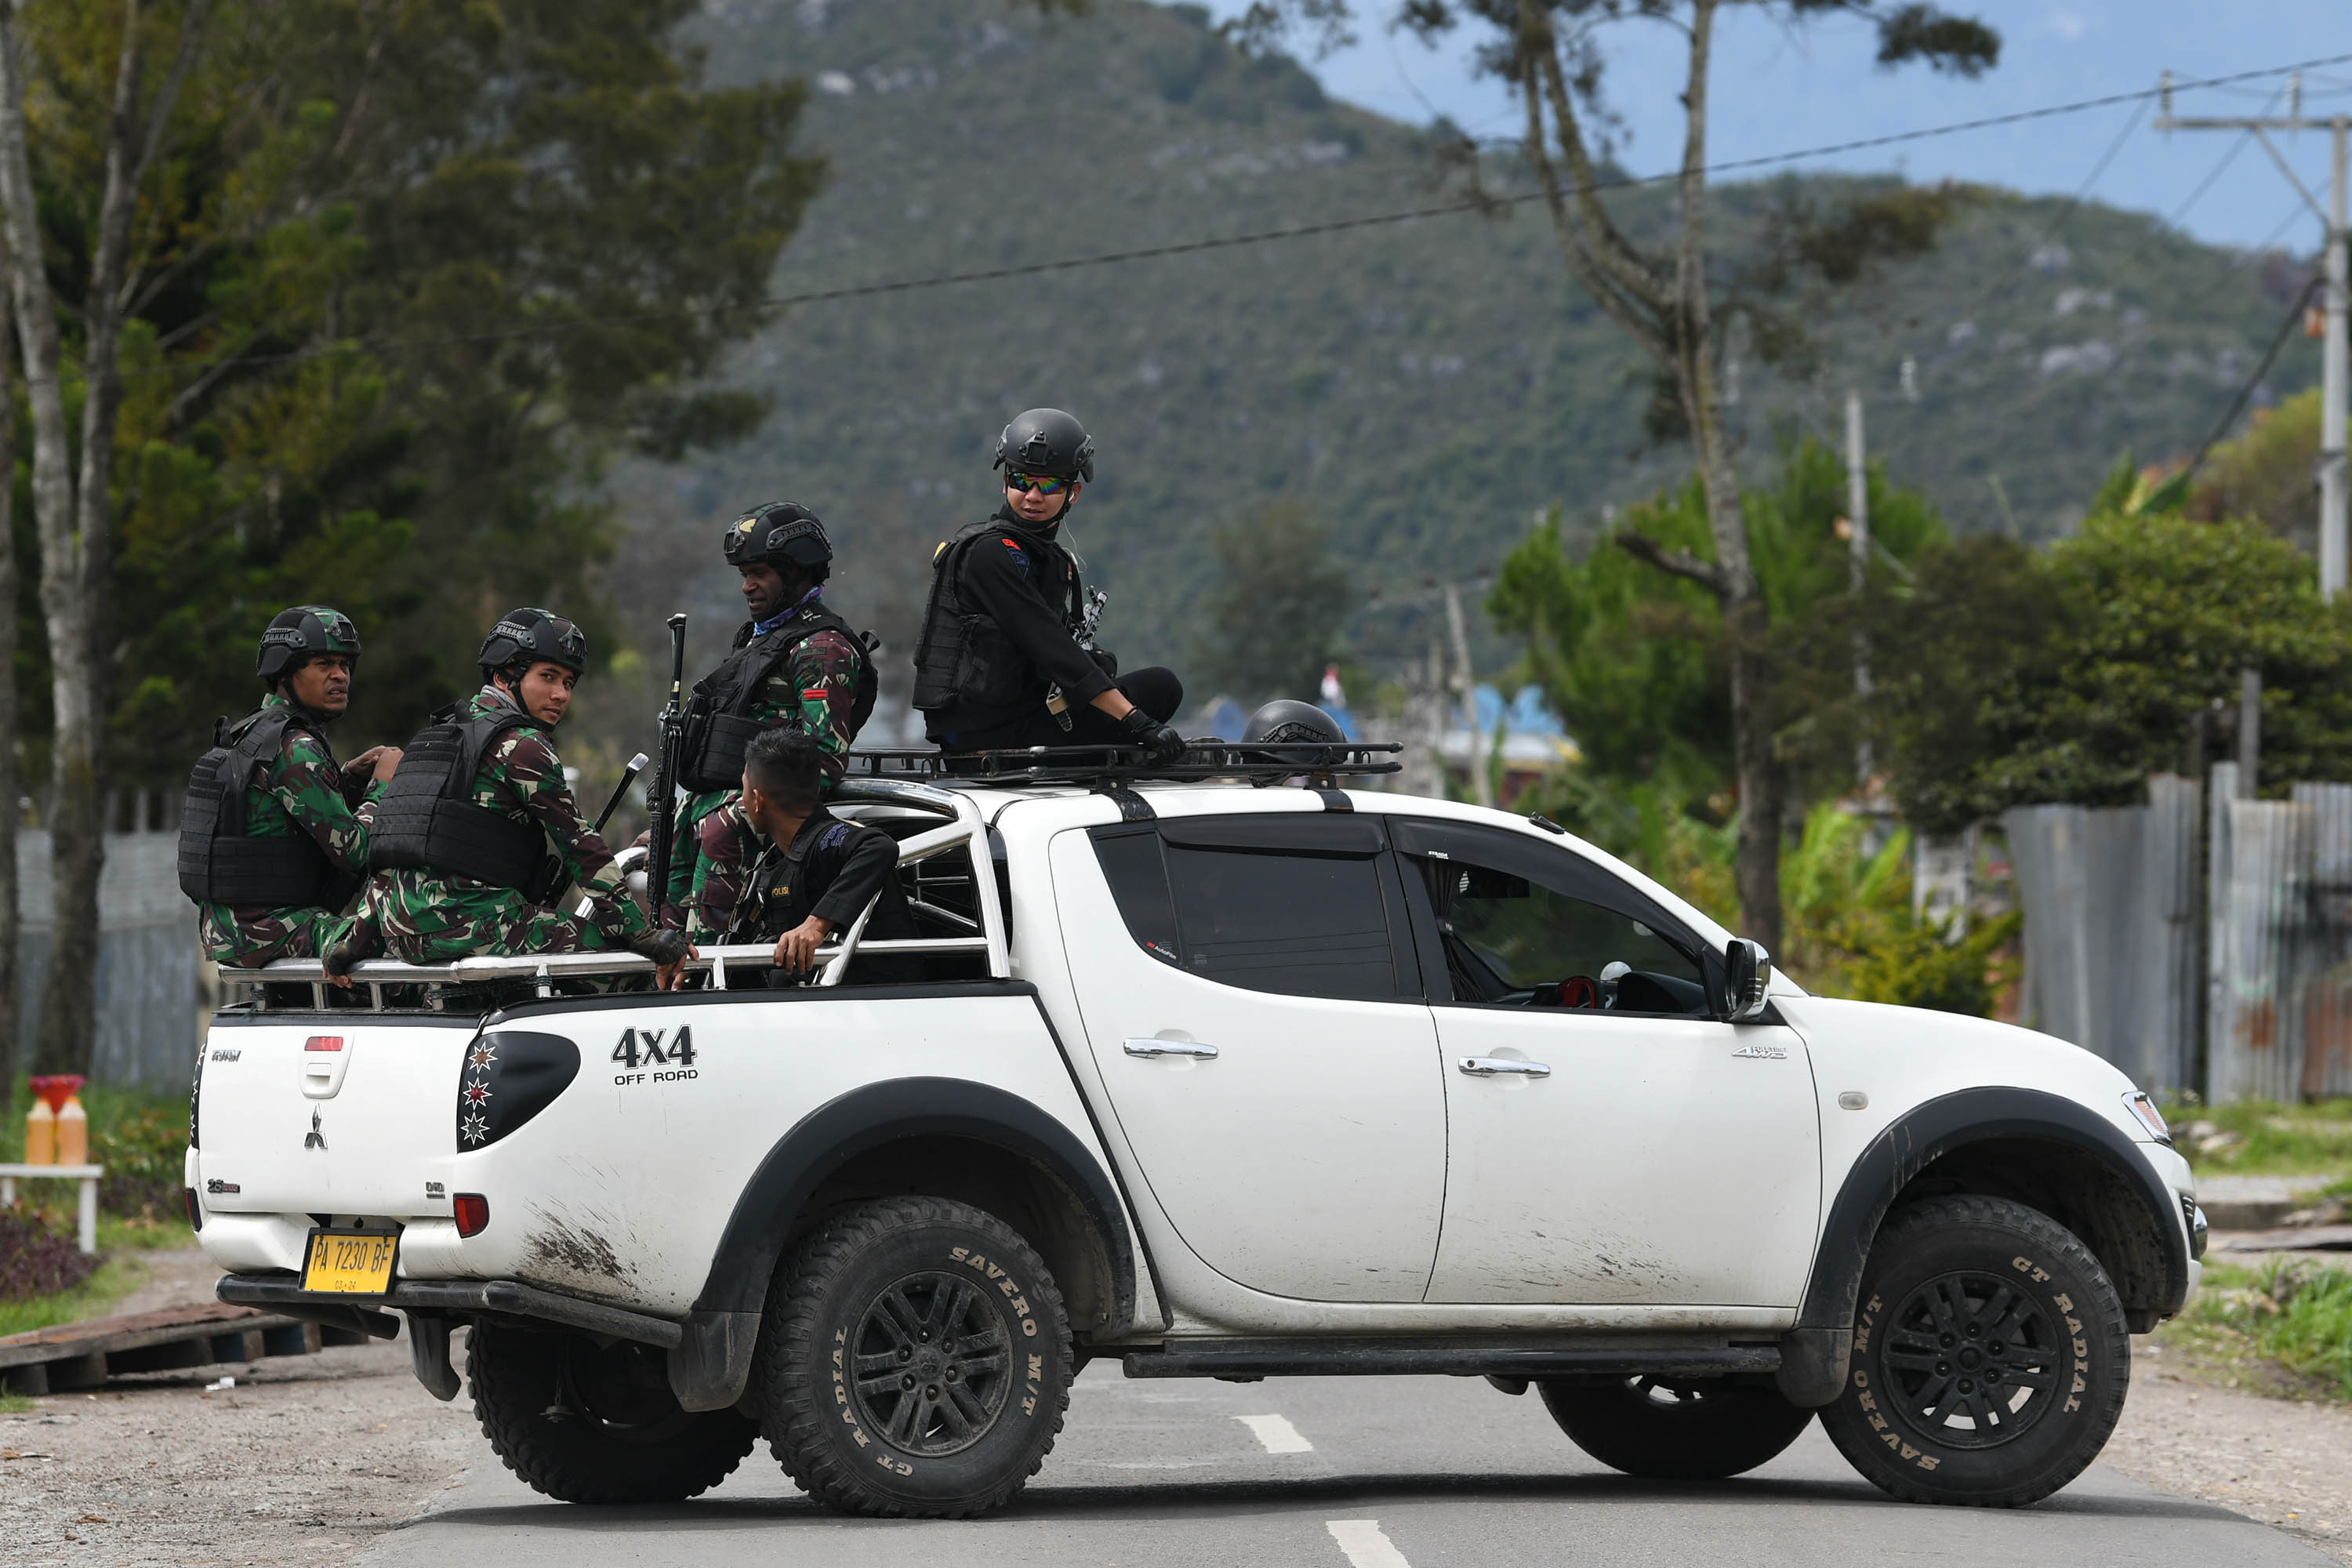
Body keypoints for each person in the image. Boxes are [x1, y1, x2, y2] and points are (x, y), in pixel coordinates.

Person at [328, 608, 692, 985]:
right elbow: (580, 845)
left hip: (401, 934)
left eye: (568, 683)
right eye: (547, 677)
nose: (560, 694)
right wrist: (640, 935)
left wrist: (355, 941)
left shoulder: (432, 739)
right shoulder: (522, 745)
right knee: (623, 963)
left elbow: (395, 850)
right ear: (504, 676)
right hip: (471, 927)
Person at [912, 408, 1185, 758]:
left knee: (1157, 684)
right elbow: (1049, 645)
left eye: (1050, 484)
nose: (1033, 495)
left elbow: (1059, 648)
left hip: (1025, 715)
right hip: (984, 733)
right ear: (1005, 482)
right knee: (1156, 691)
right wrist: (1137, 721)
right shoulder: (988, 553)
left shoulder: (1051, 559)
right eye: (1021, 481)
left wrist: (1096, 662)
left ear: (1074, 492)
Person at [662, 502, 876, 940]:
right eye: (744, 574)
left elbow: (823, 761)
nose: (747, 586)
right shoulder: (759, 639)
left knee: (719, 841)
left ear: (796, 573)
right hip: (719, 804)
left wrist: (745, 807)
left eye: (759, 573)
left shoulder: (822, 648)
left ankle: (709, 967)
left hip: (758, 821)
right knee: (664, 861)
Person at [180, 606, 403, 967]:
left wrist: (347, 778)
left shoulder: (252, 733)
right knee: (408, 945)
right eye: (324, 664)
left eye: (345, 665)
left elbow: (283, 820)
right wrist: (383, 786)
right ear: (285, 671)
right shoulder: (295, 748)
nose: (340, 676)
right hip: (274, 929)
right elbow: (357, 852)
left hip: (234, 931)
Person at [724, 728, 915, 984]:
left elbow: (879, 846)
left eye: (744, 789)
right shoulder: (775, 857)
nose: (742, 800)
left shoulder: (826, 840)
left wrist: (816, 925)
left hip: (873, 1001)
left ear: (757, 800)